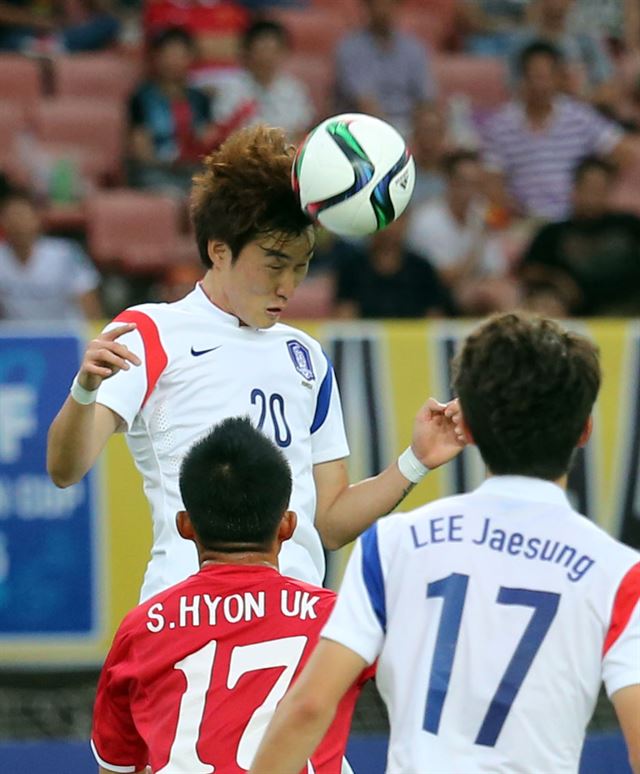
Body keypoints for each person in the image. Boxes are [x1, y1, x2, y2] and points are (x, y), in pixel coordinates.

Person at [47, 124, 464, 601]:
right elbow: (66, 469)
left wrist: (416, 461)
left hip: (290, 620)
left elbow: (327, 523)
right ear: (218, 250)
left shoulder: (306, 358)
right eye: (273, 263)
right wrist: (83, 391)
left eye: (301, 266)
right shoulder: (151, 332)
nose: (288, 285)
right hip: (189, 613)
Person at [250, 312, 640, 774]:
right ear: (584, 432)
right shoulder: (618, 572)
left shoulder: (393, 544)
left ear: (467, 428)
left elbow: (309, 707)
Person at [91, 416, 371, 773]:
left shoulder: (142, 628)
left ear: (185, 526)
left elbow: (115, 768)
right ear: (287, 526)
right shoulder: (336, 619)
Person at [482, 40, 635, 220]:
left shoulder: (580, 117)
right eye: (535, 76)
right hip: (526, 221)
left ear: (558, 78)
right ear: (522, 79)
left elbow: (623, 153)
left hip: (575, 219)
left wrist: (593, 189)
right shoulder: (501, 125)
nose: (541, 85)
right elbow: (492, 179)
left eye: (547, 77)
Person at [520, 154, 640, 315]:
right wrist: (556, 279)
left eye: (601, 189)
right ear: (574, 189)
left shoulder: (628, 225)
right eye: (589, 188)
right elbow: (529, 270)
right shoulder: (554, 233)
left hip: (627, 305)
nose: (594, 196)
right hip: (573, 310)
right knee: (544, 303)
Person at [406, 151, 517, 315]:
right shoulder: (426, 220)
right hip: (435, 292)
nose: (470, 191)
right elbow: (445, 278)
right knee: (476, 296)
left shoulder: (483, 214)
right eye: (464, 183)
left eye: (476, 184)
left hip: (478, 285)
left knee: (508, 292)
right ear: (448, 182)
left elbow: (497, 270)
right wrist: (479, 238)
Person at [128, 27, 215, 198]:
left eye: (180, 55)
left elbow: (208, 141)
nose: (173, 61)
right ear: (156, 58)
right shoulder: (141, 97)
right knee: (169, 193)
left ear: (190, 58)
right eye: (168, 54)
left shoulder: (200, 99)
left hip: (193, 170)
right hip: (155, 171)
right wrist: (169, 162)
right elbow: (140, 147)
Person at [334, 0, 437, 138]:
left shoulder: (414, 49)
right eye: (379, 3)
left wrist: (420, 130)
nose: (384, 9)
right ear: (367, 7)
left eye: (390, 3)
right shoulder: (350, 48)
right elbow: (365, 104)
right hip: (365, 127)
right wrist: (393, 136)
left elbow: (426, 101)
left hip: (410, 127)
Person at [0, 187, 102, 321]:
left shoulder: (65, 253)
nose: (17, 224)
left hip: (62, 335)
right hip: (15, 337)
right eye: (10, 217)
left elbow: (86, 296)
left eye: (22, 216)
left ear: (36, 219)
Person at [211, 19, 315, 144]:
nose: (268, 57)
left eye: (274, 50)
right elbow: (224, 131)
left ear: (284, 52)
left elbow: (301, 130)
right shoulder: (230, 88)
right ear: (247, 51)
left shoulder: (295, 89)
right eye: (262, 50)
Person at [333, 216, 453, 319]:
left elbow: (434, 318)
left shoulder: (422, 268)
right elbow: (345, 317)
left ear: (405, 222)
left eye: (396, 220)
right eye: (384, 219)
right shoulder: (352, 267)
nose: (390, 228)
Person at [507, 0, 618, 110]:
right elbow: (514, 91)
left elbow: (610, 91)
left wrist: (581, 96)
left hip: (580, 116)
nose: (556, 3)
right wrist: (552, 86)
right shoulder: (521, 44)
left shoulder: (585, 41)